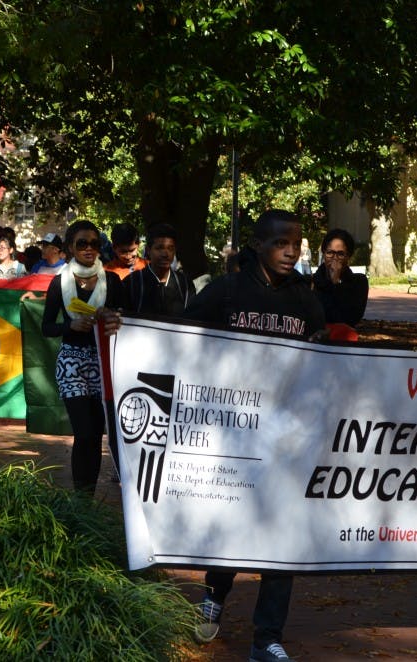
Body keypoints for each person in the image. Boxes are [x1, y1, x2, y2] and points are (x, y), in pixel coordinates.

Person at [102, 210, 325, 662]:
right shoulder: (226, 291)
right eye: (282, 243)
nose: (291, 252)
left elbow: (326, 356)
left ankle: (267, 639)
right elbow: (177, 338)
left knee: (283, 536)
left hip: (285, 438)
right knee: (234, 528)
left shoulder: (304, 297)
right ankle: (215, 594)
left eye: (297, 245)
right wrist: (124, 329)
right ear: (259, 245)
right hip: (233, 436)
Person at [41, 221, 122, 493]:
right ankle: (80, 500)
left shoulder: (111, 280)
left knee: (95, 437)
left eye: (95, 244)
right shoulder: (59, 282)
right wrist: (70, 326)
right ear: (70, 248)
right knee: (83, 432)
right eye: (82, 243)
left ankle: (87, 501)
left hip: (103, 363)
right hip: (72, 363)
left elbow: (125, 318)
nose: (89, 249)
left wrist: (111, 318)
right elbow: (46, 327)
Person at [121, 223, 194, 315]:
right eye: (159, 248)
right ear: (148, 250)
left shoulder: (185, 285)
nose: (165, 254)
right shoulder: (131, 283)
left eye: (170, 248)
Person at [311, 228, 368, 328]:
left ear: (348, 256)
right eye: (330, 253)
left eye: (340, 254)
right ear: (324, 253)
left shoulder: (358, 282)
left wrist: (335, 283)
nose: (335, 258)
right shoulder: (311, 282)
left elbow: (351, 318)